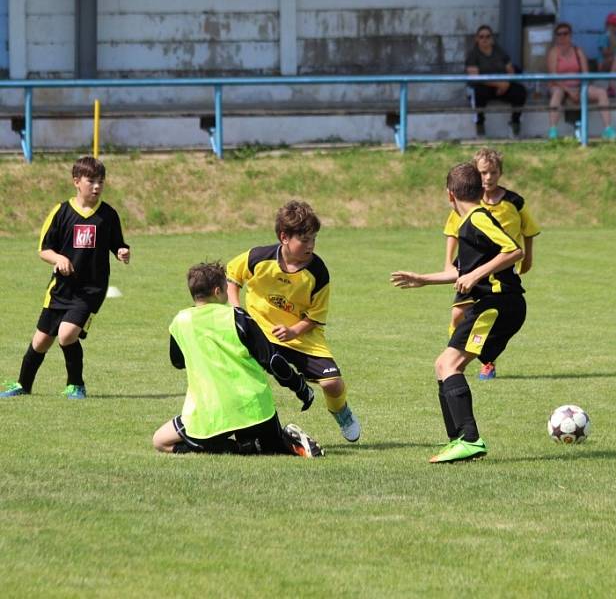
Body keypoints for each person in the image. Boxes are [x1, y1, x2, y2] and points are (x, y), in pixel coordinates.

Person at [391, 162, 525, 463]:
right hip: (494, 304)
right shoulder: (471, 223)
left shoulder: (477, 218)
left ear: (450, 195)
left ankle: (470, 439)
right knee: (443, 365)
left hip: (498, 303)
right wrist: (423, 279)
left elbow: (514, 250)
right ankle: (458, 441)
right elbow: (461, 271)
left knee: (449, 363)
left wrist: (477, 276)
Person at [152, 262, 322, 458]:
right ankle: (280, 443)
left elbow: (178, 362)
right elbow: (273, 361)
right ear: (217, 291)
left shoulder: (180, 322)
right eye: (226, 287)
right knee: (272, 448)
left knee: (161, 441)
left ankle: (240, 449)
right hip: (253, 408)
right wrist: (301, 388)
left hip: (210, 413)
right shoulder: (237, 317)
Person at [226, 200, 361, 443]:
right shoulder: (258, 257)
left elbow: (315, 317)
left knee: (332, 383)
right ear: (284, 237)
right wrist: (236, 309)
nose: (311, 246)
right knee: (241, 377)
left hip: (302, 337)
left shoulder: (318, 272)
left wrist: (293, 331)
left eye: (314, 239)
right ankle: (244, 427)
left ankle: (341, 412)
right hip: (261, 332)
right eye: (304, 240)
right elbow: (232, 277)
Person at [0, 156, 130, 400]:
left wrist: (122, 252)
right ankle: (22, 384)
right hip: (61, 288)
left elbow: (118, 244)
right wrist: (58, 259)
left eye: (100, 181)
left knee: (67, 334)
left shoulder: (108, 215)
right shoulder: (61, 212)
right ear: (76, 182)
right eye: (91, 181)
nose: (97, 186)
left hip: (91, 290)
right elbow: (44, 249)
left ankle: (76, 385)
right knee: (40, 342)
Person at [442, 148, 540, 381]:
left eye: (492, 172)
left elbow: (527, 232)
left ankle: (483, 361)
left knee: (490, 315)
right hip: (471, 267)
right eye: (483, 173)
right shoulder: (467, 204)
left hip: (497, 270)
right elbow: (452, 233)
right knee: (458, 314)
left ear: (500, 173)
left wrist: (527, 257)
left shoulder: (513, 202)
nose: (488, 178)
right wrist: (447, 264)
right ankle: (455, 355)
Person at [546, 22, 616, 141]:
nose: (562, 37)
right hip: (560, 86)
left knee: (601, 93)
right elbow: (553, 77)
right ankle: (553, 130)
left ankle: (608, 129)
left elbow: (585, 74)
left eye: (565, 33)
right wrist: (569, 91)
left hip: (578, 86)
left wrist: (579, 89)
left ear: (570, 35)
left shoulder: (578, 51)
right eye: (559, 34)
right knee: (557, 93)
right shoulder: (554, 52)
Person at [466, 24, 528, 137]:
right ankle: (480, 124)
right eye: (481, 37)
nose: (485, 39)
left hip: (503, 85)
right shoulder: (473, 55)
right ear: (476, 39)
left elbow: (510, 70)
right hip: (484, 86)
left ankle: (515, 122)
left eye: (488, 36)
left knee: (520, 91)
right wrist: (499, 84)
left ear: (492, 38)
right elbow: (475, 77)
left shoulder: (499, 52)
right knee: (478, 92)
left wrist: (506, 84)